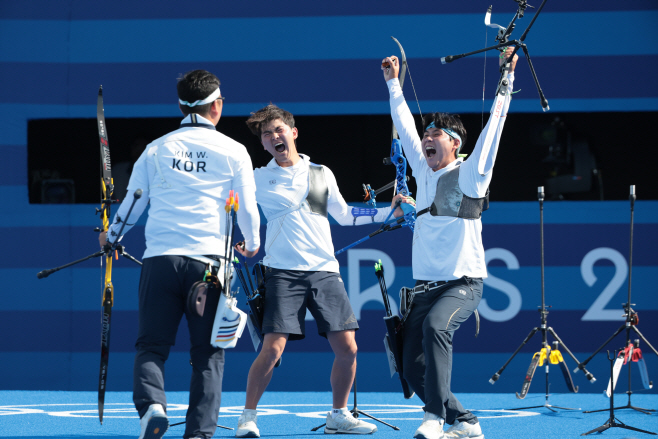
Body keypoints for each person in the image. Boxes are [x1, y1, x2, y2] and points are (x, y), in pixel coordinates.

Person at [98, 70, 261, 439]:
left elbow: (132, 206)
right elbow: (248, 209)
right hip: (210, 266)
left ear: (180, 104)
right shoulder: (235, 150)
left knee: (151, 346)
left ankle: (153, 406)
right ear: (217, 105)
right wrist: (252, 242)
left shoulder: (155, 148)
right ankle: (199, 434)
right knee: (208, 354)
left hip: (160, 263)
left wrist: (111, 237)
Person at [233, 104, 406, 437]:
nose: (273, 137)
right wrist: (247, 240)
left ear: (293, 133)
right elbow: (239, 211)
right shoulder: (257, 178)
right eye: (267, 135)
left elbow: (344, 215)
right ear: (265, 145)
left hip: (325, 270)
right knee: (273, 348)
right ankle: (248, 417)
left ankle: (338, 415)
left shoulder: (320, 173)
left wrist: (389, 212)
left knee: (349, 348)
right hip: (282, 272)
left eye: (279, 130)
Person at [381, 47, 519, 439]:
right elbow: (404, 124)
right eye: (425, 135)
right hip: (424, 288)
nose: (426, 138)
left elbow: (495, 126)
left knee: (438, 328)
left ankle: (434, 419)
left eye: (435, 134)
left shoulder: (472, 174)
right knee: (410, 367)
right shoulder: (423, 169)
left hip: (463, 283)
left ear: (455, 143)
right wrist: (393, 83)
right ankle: (465, 420)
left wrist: (506, 79)